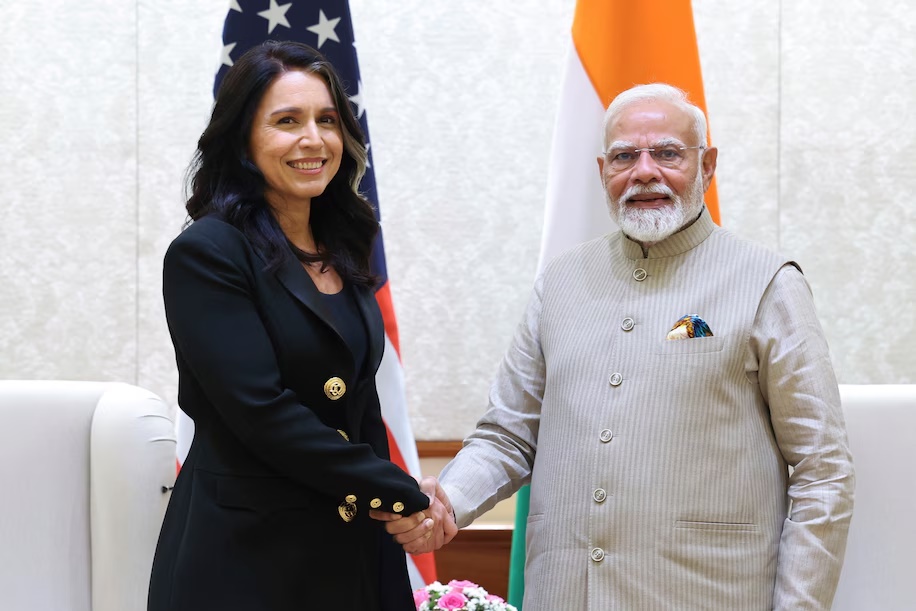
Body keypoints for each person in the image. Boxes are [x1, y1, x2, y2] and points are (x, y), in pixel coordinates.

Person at [378, 83, 855, 610]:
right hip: (566, 594)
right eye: (626, 156)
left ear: (708, 165)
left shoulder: (768, 282)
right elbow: (507, 435)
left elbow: (823, 469)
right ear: (604, 170)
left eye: (668, 153)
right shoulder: (559, 283)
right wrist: (446, 502)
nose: (644, 171)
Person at [147, 40, 451, 611]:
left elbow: (359, 406)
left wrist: (395, 502)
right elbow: (262, 411)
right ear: (243, 139)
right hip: (247, 560)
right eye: (287, 121)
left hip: (352, 548)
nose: (313, 139)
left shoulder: (343, 245)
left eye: (328, 121)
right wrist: (402, 492)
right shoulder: (207, 253)